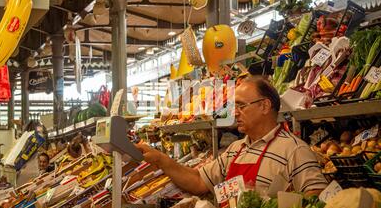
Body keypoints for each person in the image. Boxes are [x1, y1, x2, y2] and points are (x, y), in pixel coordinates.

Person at [136, 76, 328, 197]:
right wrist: (160, 159)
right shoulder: (236, 150)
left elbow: (317, 194)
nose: (234, 113)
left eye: (241, 106)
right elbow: (198, 181)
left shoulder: (294, 150)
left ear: (264, 106)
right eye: (233, 106)